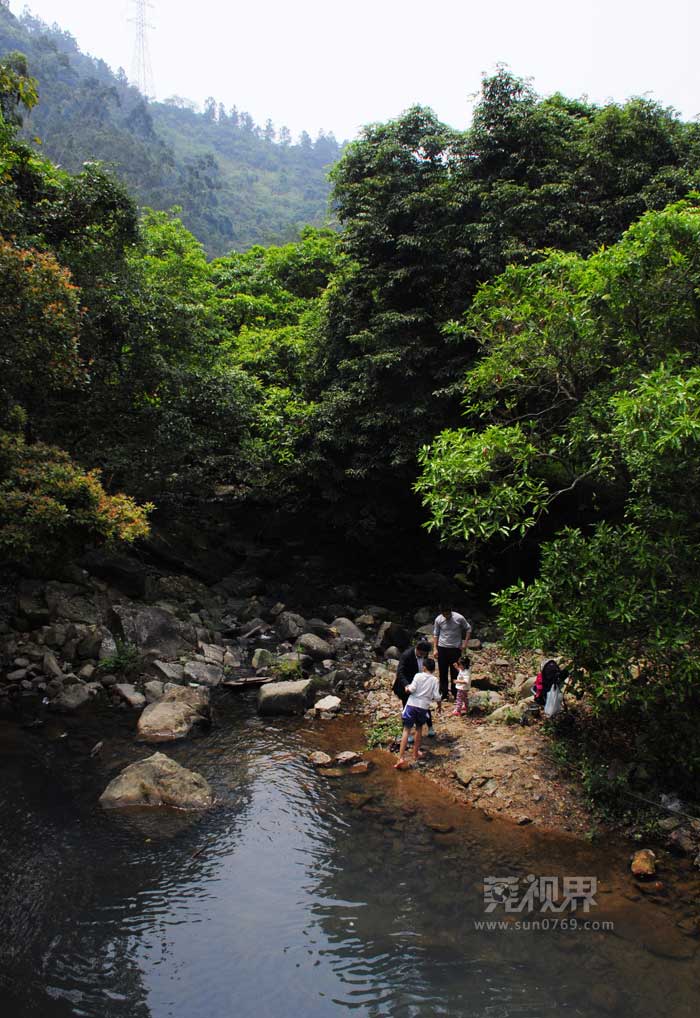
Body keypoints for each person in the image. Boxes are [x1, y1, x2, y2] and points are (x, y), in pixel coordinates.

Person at [395, 658, 441, 769]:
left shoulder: (418, 675)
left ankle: (400, 757)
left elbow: (412, 688)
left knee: (406, 730)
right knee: (419, 729)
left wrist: (407, 688)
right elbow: (436, 696)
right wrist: (439, 705)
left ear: (424, 667)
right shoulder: (435, 680)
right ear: (433, 669)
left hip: (412, 704)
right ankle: (415, 753)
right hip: (423, 707)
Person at [392, 640, 436, 740]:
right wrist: (406, 685)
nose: (422, 655)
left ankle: (430, 727)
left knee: (424, 705)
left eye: (424, 654)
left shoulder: (425, 654)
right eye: (421, 653)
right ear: (417, 649)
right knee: (407, 708)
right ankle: (408, 733)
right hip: (406, 685)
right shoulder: (406, 655)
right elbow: (400, 672)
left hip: (420, 684)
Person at [433, 607, 472, 700]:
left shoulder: (459, 618)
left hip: (455, 648)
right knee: (443, 672)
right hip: (442, 648)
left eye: (447, 614)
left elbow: (468, 629)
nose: (446, 616)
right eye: (444, 614)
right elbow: (436, 634)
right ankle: (444, 693)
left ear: (451, 611)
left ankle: (455, 693)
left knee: (455, 671)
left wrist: (465, 643)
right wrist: (435, 648)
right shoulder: (439, 619)